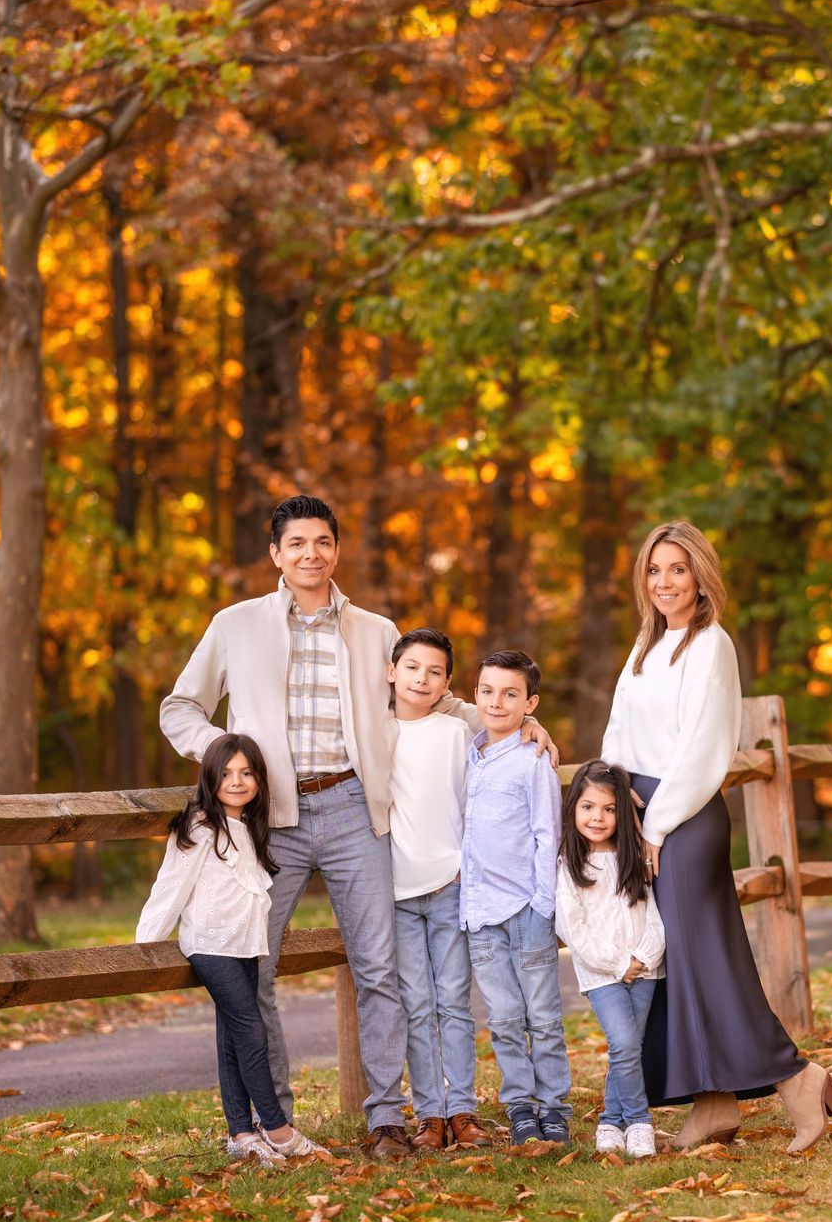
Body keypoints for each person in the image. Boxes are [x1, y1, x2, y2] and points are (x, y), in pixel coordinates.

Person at [160, 494, 555, 1160]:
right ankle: (273, 1123)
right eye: (296, 544)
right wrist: (224, 753)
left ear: (336, 550)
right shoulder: (235, 625)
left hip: (353, 809)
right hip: (269, 820)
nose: (310, 553)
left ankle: (385, 1122)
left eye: (322, 542)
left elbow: (426, 694)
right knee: (256, 971)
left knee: (379, 970)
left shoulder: (374, 630)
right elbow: (180, 706)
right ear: (275, 554)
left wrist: (511, 724)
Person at [603, 520, 832, 1154]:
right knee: (678, 967)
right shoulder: (643, 647)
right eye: (654, 570)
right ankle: (713, 1106)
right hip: (642, 814)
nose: (664, 582)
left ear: (701, 576)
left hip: (683, 822)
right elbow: (618, 732)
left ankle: (798, 1079)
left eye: (677, 569)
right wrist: (616, 797)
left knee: (710, 963)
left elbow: (704, 750)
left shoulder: (711, 645)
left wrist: (655, 825)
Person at [136, 732, 322, 1165]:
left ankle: (241, 1132)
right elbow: (171, 885)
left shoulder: (250, 829)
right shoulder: (201, 827)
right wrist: (144, 945)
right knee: (251, 1028)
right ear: (209, 778)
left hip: (244, 946)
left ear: (258, 779)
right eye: (226, 773)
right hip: (209, 944)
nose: (236, 781)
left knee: (231, 1036)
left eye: (246, 772)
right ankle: (278, 1129)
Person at [461, 649, 572, 1144]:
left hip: (526, 909)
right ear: (475, 693)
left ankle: (555, 1106)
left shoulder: (532, 762)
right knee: (504, 1019)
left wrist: (543, 907)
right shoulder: (469, 753)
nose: (497, 702)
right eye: (487, 691)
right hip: (480, 914)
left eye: (510, 694)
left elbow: (549, 836)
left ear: (531, 704)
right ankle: (520, 1107)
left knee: (544, 1018)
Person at [385, 627, 489, 1151]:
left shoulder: (454, 734)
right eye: (412, 668)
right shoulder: (374, 733)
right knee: (416, 1004)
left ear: (448, 682)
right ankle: (429, 1113)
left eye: (435, 672)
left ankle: (464, 1110)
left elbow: (470, 803)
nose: (421, 679)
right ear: (391, 672)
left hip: (449, 884)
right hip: (396, 893)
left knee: (453, 1000)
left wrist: (464, 867)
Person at [554, 760, 664, 1158]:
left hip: (647, 969)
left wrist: (643, 957)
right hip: (602, 974)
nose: (597, 817)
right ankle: (639, 1121)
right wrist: (620, 963)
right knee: (622, 1043)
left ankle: (610, 1121)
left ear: (622, 812)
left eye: (608, 808)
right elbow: (572, 928)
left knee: (630, 1046)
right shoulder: (569, 864)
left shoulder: (633, 859)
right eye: (587, 807)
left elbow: (654, 916)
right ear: (573, 810)